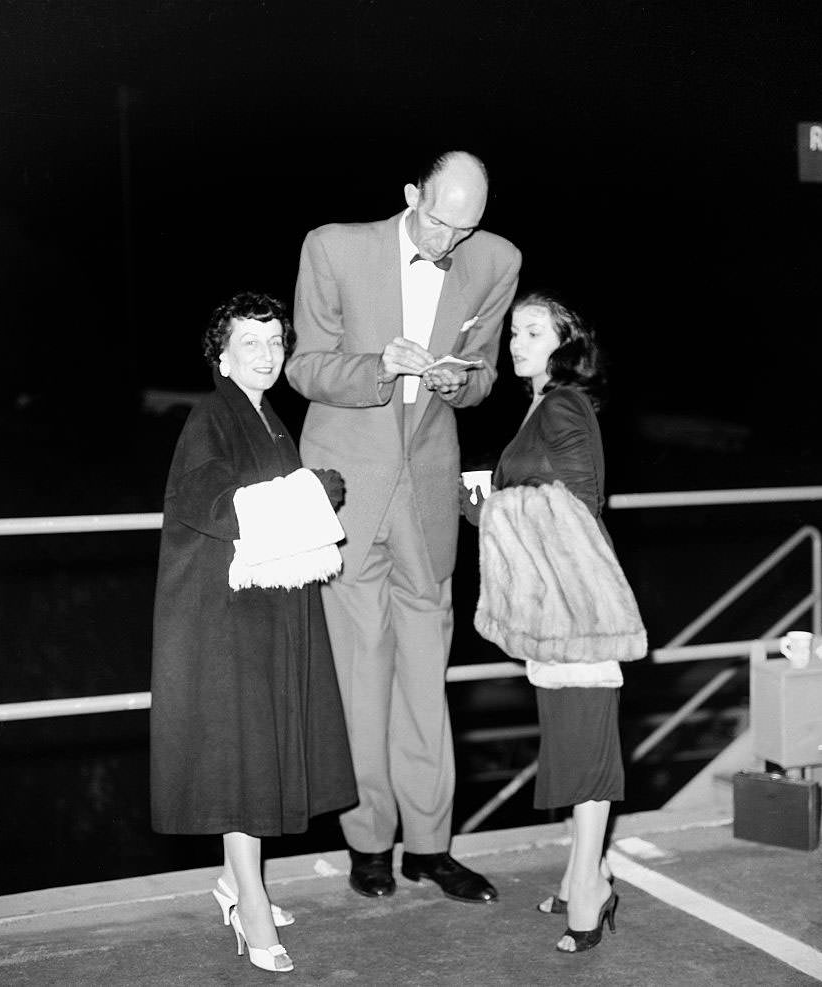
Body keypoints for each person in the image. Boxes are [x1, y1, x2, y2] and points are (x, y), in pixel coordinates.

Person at [286, 151, 521, 903]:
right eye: (438, 221)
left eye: (466, 226)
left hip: (426, 493)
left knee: (427, 681)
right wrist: (378, 364)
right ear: (412, 195)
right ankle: (368, 843)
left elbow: (484, 374)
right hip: (352, 487)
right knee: (363, 678)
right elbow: (305, 368)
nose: (449, 240)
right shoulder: (333, 246)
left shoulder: (496, 259)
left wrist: (462, 380)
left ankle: (429, 846)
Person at [150, 291, 356, 974]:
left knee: (259, 750)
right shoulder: (211, 415)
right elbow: (201, 501)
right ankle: (251, 902)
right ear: (222, 353)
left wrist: (306, 488)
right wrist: (308, 492)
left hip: (263, 612)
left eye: (275, 342)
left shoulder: (267, 417)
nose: (267, 355)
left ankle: (236, 881)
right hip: (227, 618)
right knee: (241, 760)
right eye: (251, 343)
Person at [462, 292, 638, 953]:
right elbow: (543, 497)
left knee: (588, 749)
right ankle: (577, 874)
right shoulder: (541, 404)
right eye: (513, 331)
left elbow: (581, 501)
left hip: (579, 603)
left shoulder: (563, 404)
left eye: (533, 330)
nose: (516, 340)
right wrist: (489, 510)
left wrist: (499, 509)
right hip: (555, 601)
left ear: (565, 342)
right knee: (570, 737)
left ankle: (592, 889)